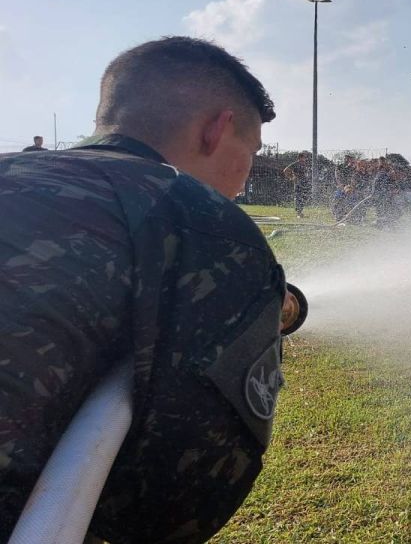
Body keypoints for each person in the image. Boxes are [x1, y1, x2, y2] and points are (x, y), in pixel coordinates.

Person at [0, 36, 288, 542]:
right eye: (252, 151)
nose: (243, 181)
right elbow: (177, 507)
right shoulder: (201, 222)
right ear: (217, 128)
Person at [282, 151, 311, 218]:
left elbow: (305, 173)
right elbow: (285, 170)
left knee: (304, 197)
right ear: (300, 158)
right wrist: (291, 178)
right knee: (298, 197)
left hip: (304, 183)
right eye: (304, 157)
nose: (305, 158)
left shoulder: (304, 164)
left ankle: (300, 212)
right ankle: (299, 213)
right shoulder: (295, 164)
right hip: (298, 183)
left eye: (305, 157)